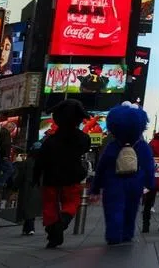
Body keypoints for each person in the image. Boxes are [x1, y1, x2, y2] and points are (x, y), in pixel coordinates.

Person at [90, 103, 154, 246]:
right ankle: (127, 234)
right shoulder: (142, 146)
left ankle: (114, 235)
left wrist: (95, 187)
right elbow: (149, 166)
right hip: (135, 182)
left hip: (113, 182)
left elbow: (101, 167)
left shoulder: (113, 146)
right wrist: (150, 183)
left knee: (113, 209)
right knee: (131, 210)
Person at [34, 99, 91, 249]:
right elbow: (84, 149)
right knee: (71, 203)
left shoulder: (49, 141)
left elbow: (40, 161)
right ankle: (63, 222)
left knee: (50, 206)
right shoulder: (83, 138)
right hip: (72, 176)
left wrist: (36, 177)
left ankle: (52, 232)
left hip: (51, 178)